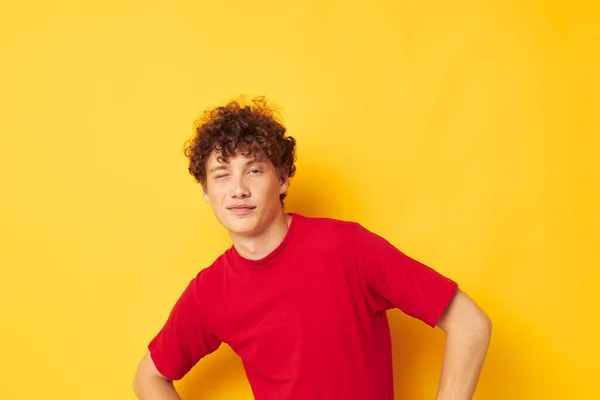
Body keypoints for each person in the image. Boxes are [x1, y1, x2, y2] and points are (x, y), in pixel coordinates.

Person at [132, 97, 492, 400]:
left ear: (283, 178)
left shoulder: (348, 248)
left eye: (254, 171)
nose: (238, 189)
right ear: (206, 192)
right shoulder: (209, 292)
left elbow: (469, 323)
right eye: (222, 174)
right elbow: (148, 377)